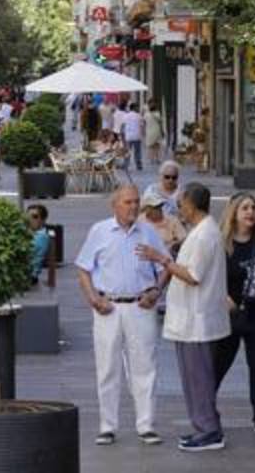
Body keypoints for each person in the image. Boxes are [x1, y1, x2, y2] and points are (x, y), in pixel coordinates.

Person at [136, 182, 229, 452]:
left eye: (181, 205)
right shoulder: (202, 231)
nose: (178, 210)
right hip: (192, 319)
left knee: (197, 377)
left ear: (191, 205)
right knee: (195, 377)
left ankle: (209, 430)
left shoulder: (203, 235)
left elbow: (193, 275)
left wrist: (162, 259)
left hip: (196, 321)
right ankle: (205, 426)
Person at [75, 185, 169, 447]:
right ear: (114, 205)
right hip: (109, 308)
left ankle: (146, 425)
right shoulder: (100, 231)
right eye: (128, 202)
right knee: (107, 368)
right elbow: (83, 268)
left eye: (136, 202)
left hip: (141, 306)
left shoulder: (148, 232)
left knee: (145, 367)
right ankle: (108, 426)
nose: (134, 207)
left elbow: (166, 265)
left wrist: (157, 290)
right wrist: (93, 298)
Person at [213, 193, 255, 436]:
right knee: (218, 364)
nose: (250, 212)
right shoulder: (222, 244)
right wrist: (223, 298)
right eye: (245, 208)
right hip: (231, 316)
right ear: (234, 213)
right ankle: (205, 410)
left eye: (253, 208)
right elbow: (210, 278)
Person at [140, 190, 186, 257]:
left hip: (168, 256)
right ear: (147, 208)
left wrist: (175, 245)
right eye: (155, 207)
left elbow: (184, 238)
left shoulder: (172, 220)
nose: (159, 209)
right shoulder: (139, 221)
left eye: (160, 206)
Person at [28, 204, 52, 287]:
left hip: (29, 276)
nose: (30, 219)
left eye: (34, 216)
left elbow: (28, 253)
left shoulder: (41, 236)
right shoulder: (32, 233)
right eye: (28, 216)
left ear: (43, 220)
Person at [120, 102, 145, 171]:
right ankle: (138, 165)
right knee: (137, 151)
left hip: (128, 136)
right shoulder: (139, 116)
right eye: (137, 107)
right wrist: (143, 135)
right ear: (134, 108)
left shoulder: (125, 116)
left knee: (127, 151)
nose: (138, 108)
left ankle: (126, 164)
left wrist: (122, 135)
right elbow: (142, 126)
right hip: (137, 136)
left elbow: (123, 126)